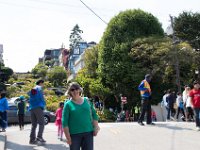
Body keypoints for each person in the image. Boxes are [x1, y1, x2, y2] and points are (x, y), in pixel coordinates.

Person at [62, 82, 100, 150]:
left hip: (88, 133)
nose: (75, 91)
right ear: (70, 92)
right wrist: (68, 138)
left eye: (76, 88)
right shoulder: (68, 104)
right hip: (74, 135)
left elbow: (94, 114)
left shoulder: (87, 101)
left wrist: (96, 127)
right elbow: (65, 122)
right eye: (72, 90)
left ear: (79, 90)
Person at [28, 79, 46, 144]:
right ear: (41, 83)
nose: (43, 85)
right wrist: (43, 105)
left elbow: (30, 98)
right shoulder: (39, 88)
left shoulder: (33, 88)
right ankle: (39, 137)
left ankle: (32, 139)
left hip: (31, 108)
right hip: (38, 107)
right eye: (43, 83)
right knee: (42, 123)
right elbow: (41, 98)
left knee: (34, 125)